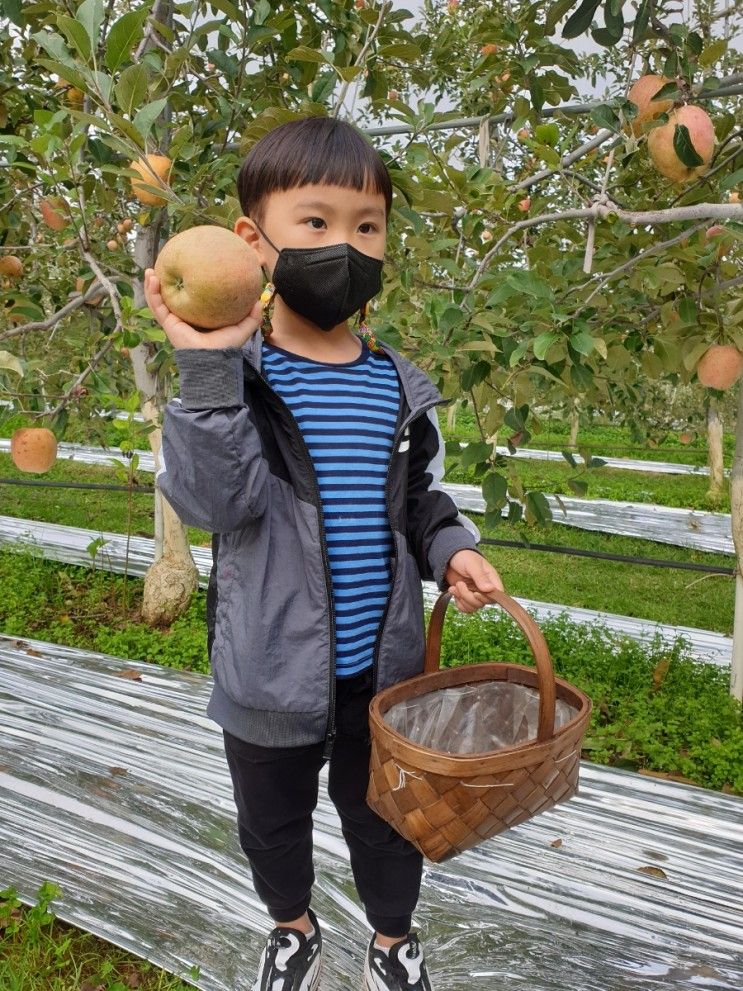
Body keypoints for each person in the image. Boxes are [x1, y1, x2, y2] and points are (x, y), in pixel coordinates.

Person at [145, 115, 504, 991]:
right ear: (251, 240)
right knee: (271, 823)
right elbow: (213, 502)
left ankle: (390, 940)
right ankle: (292, 926)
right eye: (315, 222)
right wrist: (206, 369)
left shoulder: (396, 384)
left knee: (388, 819)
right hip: (266, 668)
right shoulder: (235, 384)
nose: (345, 245)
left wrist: (450, 547)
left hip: (378, 675)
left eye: (366, 225)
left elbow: (418, 501)